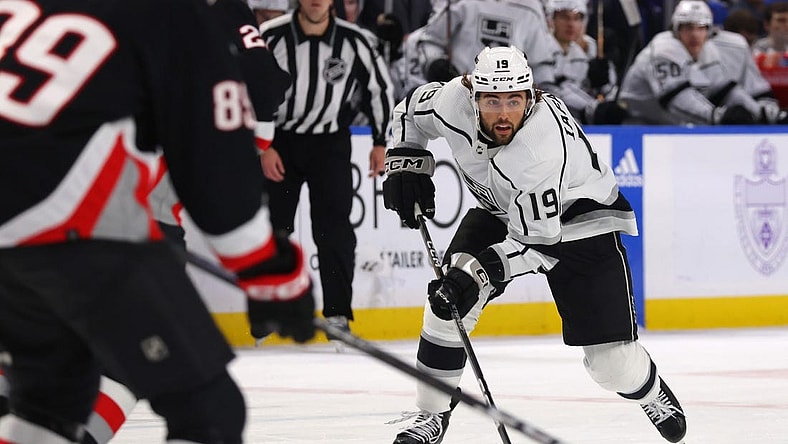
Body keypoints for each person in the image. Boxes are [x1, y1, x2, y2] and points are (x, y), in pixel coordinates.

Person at [0, 2, 315, 444]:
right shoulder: (177, 14)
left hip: (26, 227)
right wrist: (269, 272)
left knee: (50, 401)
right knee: (209, 412)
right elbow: (219, 172)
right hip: (65, 224)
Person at [382, 46, 687, 444]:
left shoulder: (538, 149)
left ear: (532, 96)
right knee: (447, 304)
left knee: (612, 366)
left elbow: (537, 248)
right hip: (504, 208)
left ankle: (649, 391)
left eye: (514, 100)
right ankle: (430, 416)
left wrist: (476, 276)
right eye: (492, 101)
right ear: (472, 94)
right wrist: (407, 159)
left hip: (580, 224)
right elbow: (408, 112)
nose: (504, 113)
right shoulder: (450, 102)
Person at [259, 0, 394, 339]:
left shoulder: (354, 40)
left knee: (334, 231)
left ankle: (337, 313)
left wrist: (380, 141)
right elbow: (248, 87)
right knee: (272, 230)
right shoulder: (271, 36)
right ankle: (265, 313)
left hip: (330, 145)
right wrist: (262, 144)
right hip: (280, 143)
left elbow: (379, 89)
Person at [618, 0, 782, 125]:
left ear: (709, 30)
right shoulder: (663, 48)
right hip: (636, 124)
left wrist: (764, 113)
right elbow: (678, 100)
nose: (695, 34)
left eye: (701, 27)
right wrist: (718, 116)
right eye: (688, 27)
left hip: (669, 124)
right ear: (676, 30)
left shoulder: (708, 50)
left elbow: (726, 90)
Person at [545, 0, 627, 124]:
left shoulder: (591, 48)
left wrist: (603, 83)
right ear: (552, 19)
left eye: (577, 18)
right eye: (564, 17)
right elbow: (551, 90)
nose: (570, 24)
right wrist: (591, 108)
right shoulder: (541, 49)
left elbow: (609, 90)